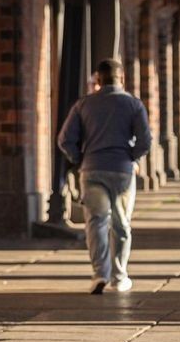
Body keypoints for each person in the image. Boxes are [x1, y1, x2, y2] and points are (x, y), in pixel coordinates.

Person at [59, 59, 152, 294]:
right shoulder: (133, 104)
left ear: (98, 80)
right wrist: (130, 157)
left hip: (91, 169)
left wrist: (80, 159)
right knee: (121, 224)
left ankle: (100, 273)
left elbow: (64, 139)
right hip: (122, 170)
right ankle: (119, 277)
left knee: (96, 222)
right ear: (122, 79)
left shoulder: (83, 104)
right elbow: (145, 141)